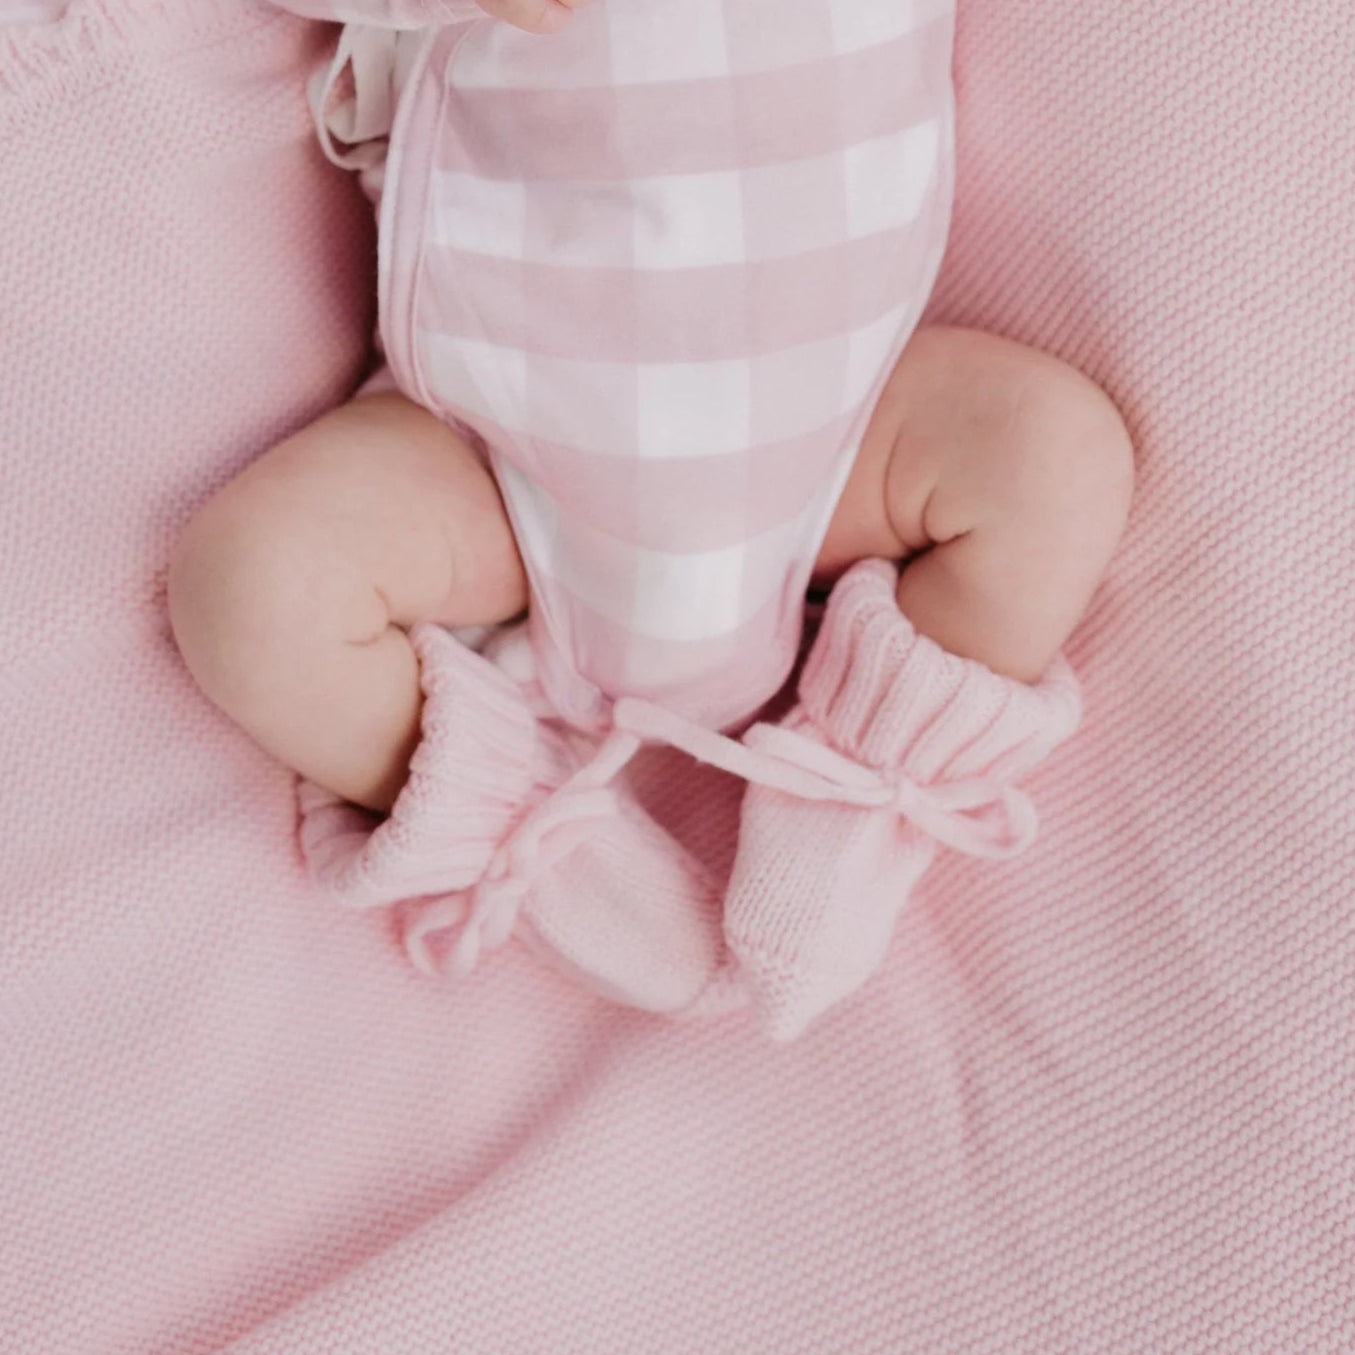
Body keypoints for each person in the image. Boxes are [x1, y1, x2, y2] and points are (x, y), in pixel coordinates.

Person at [167, 0, 1133, 1037]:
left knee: (1052, 455)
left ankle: (861, 782)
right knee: (252, 583)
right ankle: (515, 824)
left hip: (833, 435)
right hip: (501, 452)